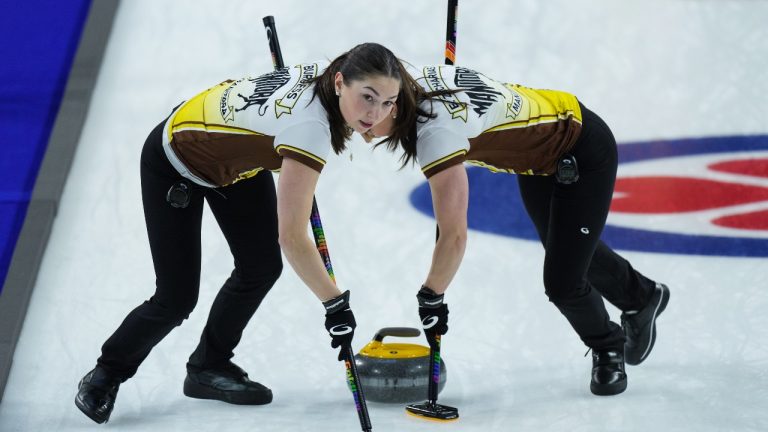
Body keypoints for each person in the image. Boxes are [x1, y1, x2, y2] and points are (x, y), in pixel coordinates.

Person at [74, 42, 435, 424]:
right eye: (368, 98)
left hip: (234, 160)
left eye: (387, 102)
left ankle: (208, 367)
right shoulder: (308, 128)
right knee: (176, 298)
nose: (376, 114)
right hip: (177, 159)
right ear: (341, 81)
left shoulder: (328, 79)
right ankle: (105, 374)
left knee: (260, 266)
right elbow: (293, 237)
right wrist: (334, 303)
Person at [369, 64, 670, 396]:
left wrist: (431, 294)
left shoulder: (435, 135)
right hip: (540, 158)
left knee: (562, 283)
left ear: (393, 104)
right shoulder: (420, 82)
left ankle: (608, 347)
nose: (361, 125)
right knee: (564, 250)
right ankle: (641, 295)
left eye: (370, 111)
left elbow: (454, 235)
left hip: (582, 150)